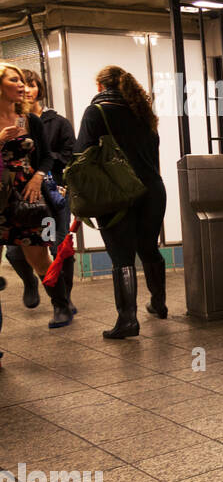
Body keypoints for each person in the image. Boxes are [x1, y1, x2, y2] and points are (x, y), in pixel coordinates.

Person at [74, 65, 168, 339]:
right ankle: (159, 303)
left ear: (100, 86)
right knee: (148, 247)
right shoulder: (143, 111)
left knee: (121, 256)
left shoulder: (97, 111)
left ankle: (127, 320)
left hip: (116, 193)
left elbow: (81, 153)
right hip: (152, 191)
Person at [0, 62, 74, 372]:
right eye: (14, 79)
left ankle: (61, 305)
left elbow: (45, 155)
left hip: (29, 199)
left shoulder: (30, 118)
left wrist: (37, 177)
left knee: (41, 259)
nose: (22, 84)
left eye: (22, 80)